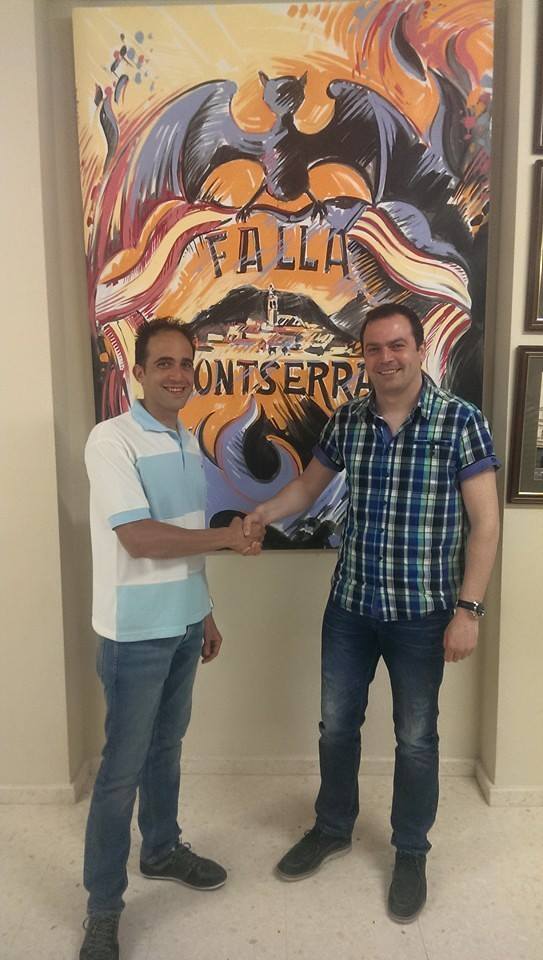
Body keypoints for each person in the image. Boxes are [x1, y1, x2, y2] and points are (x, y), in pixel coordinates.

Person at [243, 303, 500, 923]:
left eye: (397, 345)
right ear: (364, 356)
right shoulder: (348, 420)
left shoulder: (460, 421)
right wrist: (262, 514)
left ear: (419, 348)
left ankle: (410, 850)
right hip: (352, 607)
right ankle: (332, 828)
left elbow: (486, 524)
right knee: (336, 727)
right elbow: (308, 487)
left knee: (415, 738)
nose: (387, 358)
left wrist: (468, 610)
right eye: (375, 348)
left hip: (423, 613)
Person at [80, 319, 263, 960]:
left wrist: (203, 611)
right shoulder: (111, 439)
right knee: (120, 773)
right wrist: (229, 536)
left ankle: (159, 850)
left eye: (186, 363)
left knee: (167, 749)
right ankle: (103, 909)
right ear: (138, 372)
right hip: (135, 634)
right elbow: (139, 538)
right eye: (164, 363)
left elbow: (183, 538)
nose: (178, 374)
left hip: (184, 624)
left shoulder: (187, 438)